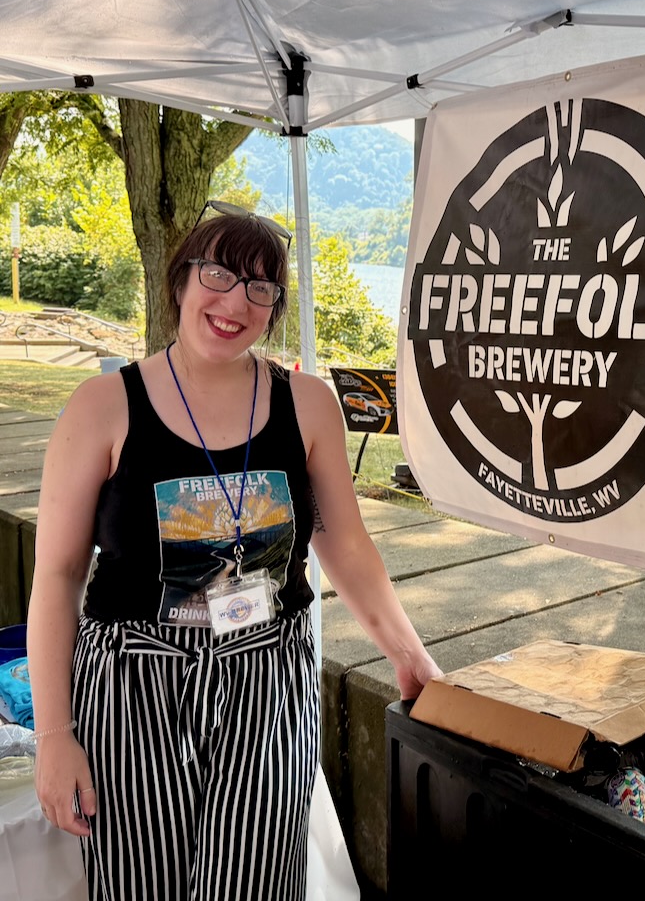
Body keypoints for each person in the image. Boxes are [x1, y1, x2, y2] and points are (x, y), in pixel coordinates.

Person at [25, 203, 442, 900]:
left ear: (274, 308)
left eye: (260, 287)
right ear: (180, 281)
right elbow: (58, 574)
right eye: (217, 274)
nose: (234, 302)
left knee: (259, 882)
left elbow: (345, 544)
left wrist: (410, 654)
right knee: (139, 884)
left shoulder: (307, 404)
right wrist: (53, 734)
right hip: (133, 685)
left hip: (267, 679)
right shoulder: (102, 406)